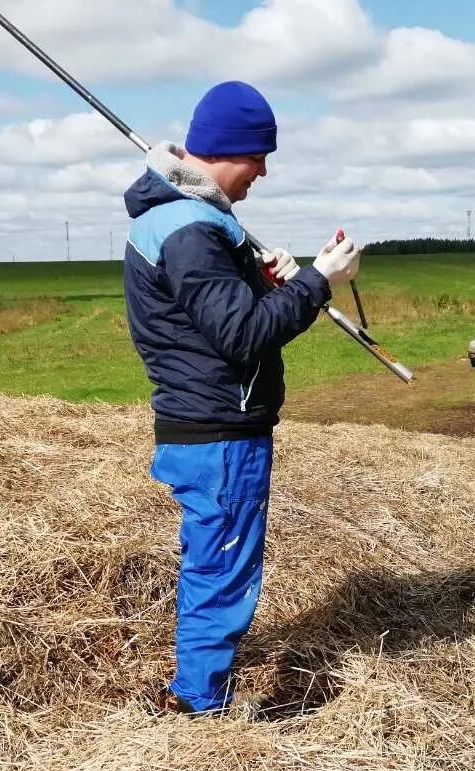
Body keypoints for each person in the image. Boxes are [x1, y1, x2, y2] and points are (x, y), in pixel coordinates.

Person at [121, 80, 362, 715]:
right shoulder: (191, 230)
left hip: (206, 425)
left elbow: (212, 316)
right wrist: (317, 280)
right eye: (259, 156)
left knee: (214, 563)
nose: (261, 171)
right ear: (232, 149)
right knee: (222, 572)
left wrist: (261, 277)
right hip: (219, 434)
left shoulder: (186, 221)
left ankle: (198, 688)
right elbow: (241, 334)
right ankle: (201, 706)